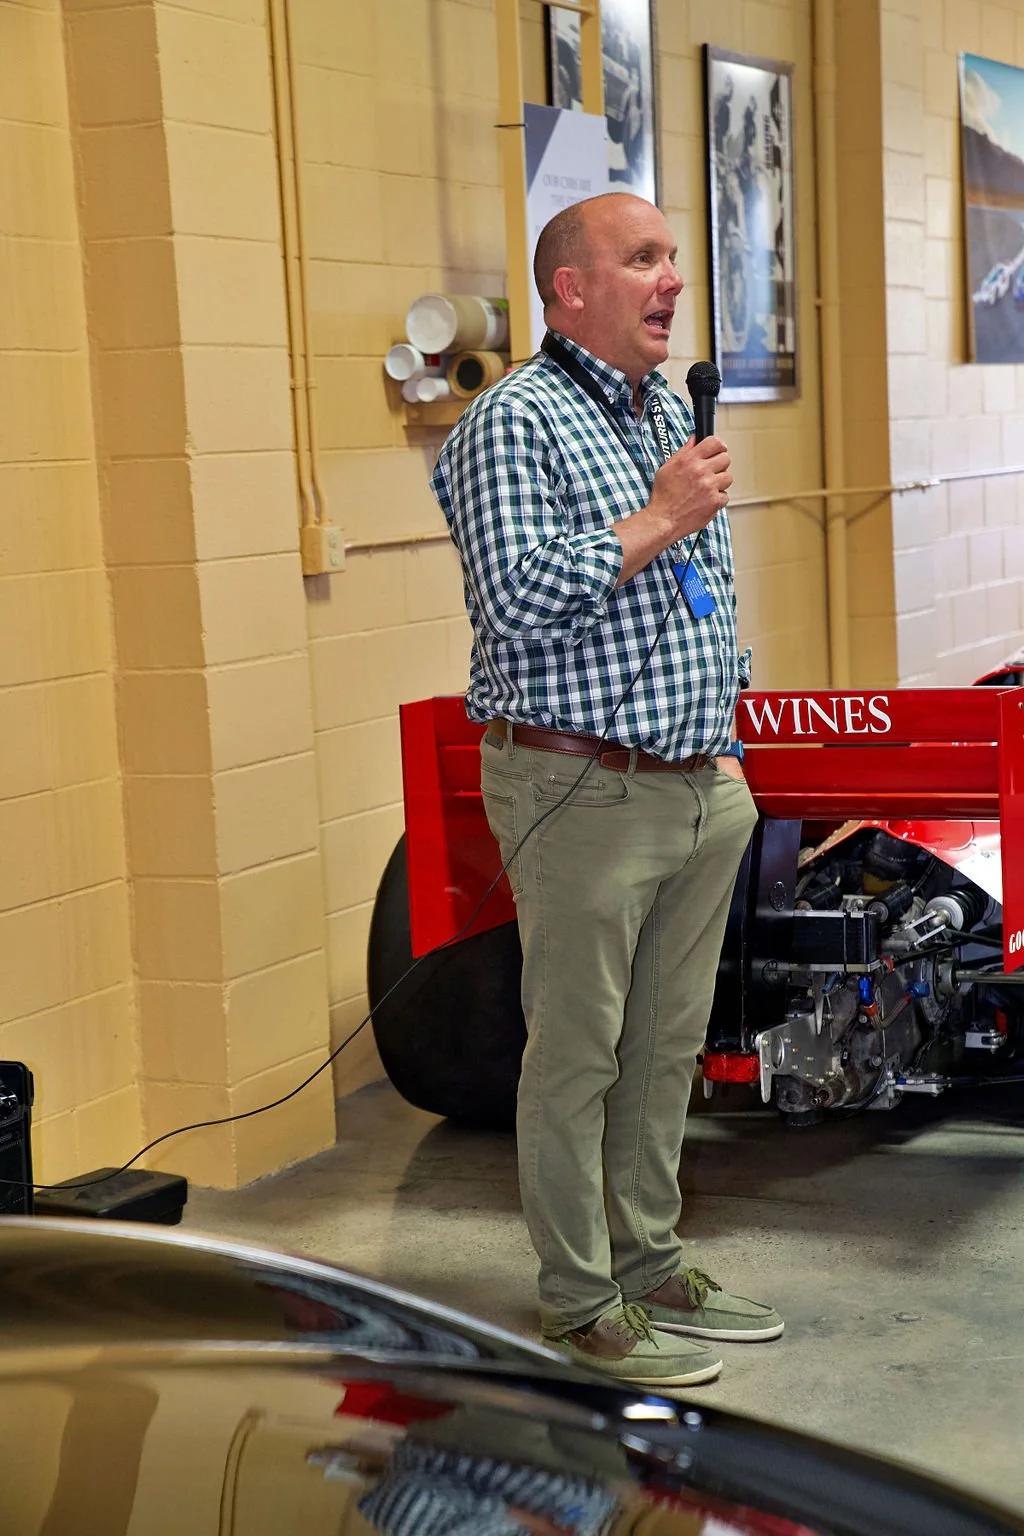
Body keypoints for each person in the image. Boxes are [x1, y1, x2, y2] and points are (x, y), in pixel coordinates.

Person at [430, 193, 783, 1388]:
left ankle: (651, 1262)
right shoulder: (510, 422)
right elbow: (520, 598)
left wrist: (723, 743)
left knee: (666, 1047)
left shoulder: (662, 412)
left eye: (673, 257)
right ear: (569, 289)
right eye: (642, 258)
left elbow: (696, 594)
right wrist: (661, 515)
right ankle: (579, 1301)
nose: (671, 278)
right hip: (581, 786)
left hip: (696, 782)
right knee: (578, 1054)